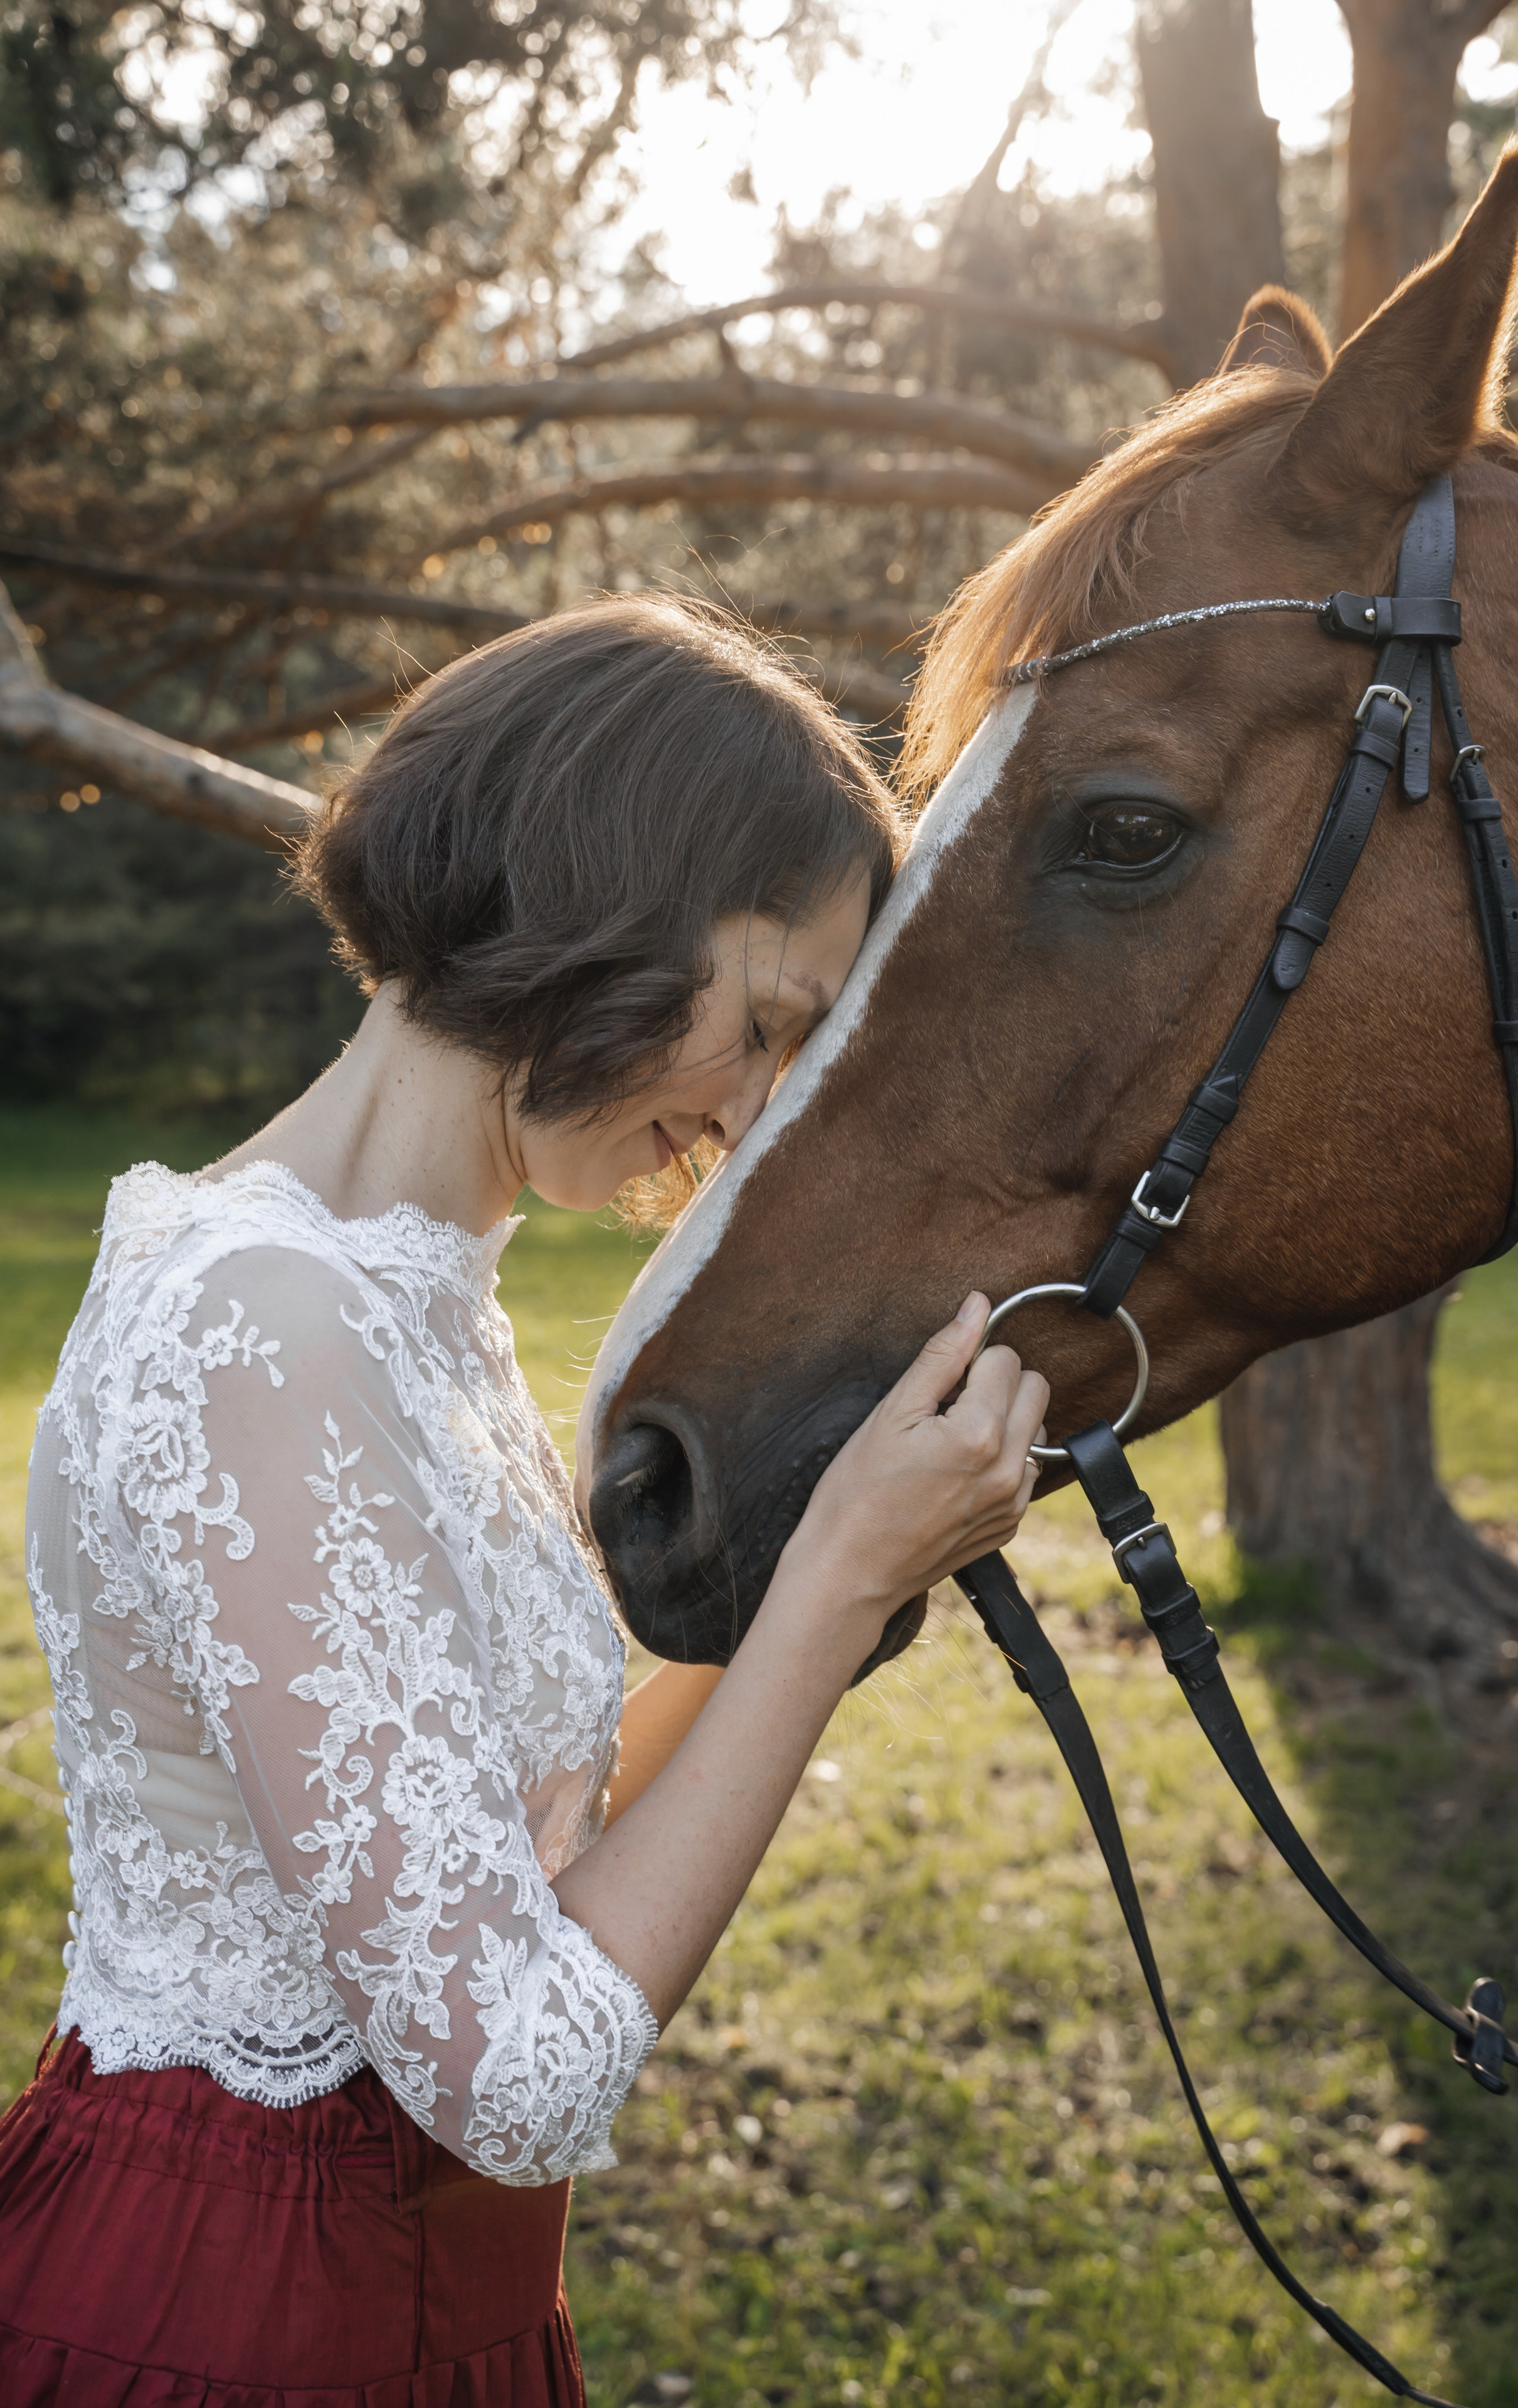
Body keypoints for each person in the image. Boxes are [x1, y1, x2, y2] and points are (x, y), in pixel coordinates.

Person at [0, 597, 1046, 2406]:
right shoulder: (265, 1326)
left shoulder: (406, 1305)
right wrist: (825, 1598)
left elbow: (502, 1857)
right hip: (244, 2314)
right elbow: (513, 2077)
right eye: (765, 1024)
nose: (759, 1114)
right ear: (605, 901)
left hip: (431, 2297)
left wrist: (848, 1559)